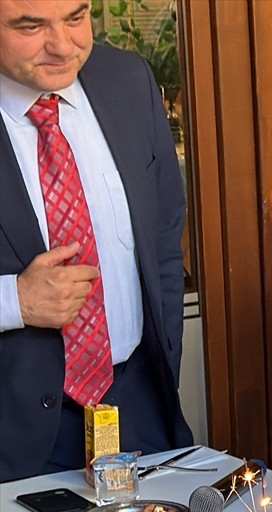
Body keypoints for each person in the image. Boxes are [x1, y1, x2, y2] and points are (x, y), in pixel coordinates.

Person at [0, 0, 192, 482]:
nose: (62, 46)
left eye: (76, 17)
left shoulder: (129, 81)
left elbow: (164, 237)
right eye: (30, 26)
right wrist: (14, 302)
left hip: (141, 410)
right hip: (12, 437)